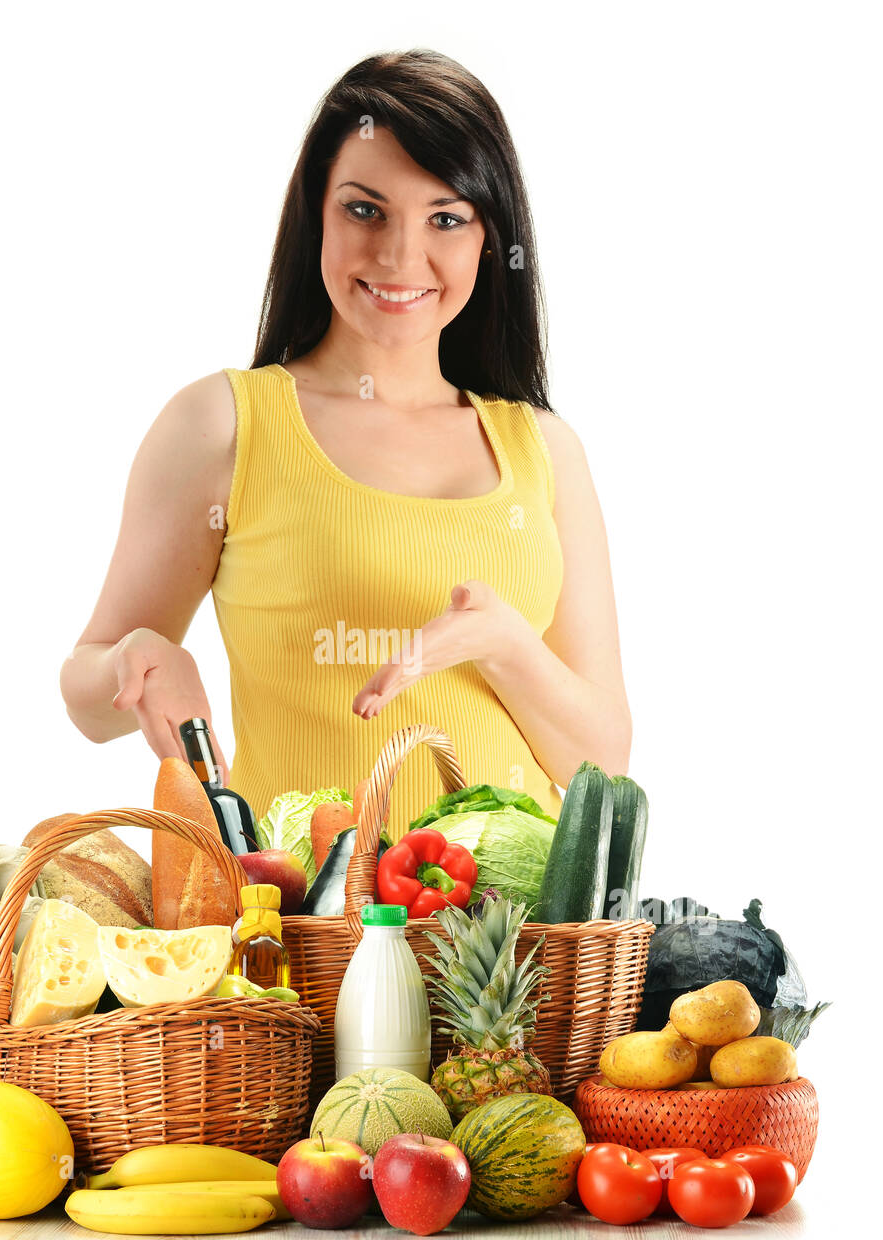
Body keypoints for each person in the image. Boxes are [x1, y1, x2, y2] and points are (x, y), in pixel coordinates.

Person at [60, 49, 632, 839]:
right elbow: (87, 698)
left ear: (486, 235)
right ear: (315, 214)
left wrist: (506, 646)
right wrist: (140, 655)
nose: (400, 257)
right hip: (302, 939)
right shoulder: (223, 426)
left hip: (509, 950)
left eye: (445, 217)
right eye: (365, 210)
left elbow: (600, 763)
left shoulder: (542, 448)